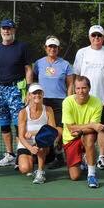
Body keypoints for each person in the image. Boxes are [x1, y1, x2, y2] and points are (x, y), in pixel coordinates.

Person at [72, 24, 104, 171]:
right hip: (84, 100)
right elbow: (76, 75)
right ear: (89, 37)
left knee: (102, 129)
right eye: (94, 35)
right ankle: (86, 156)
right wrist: (75, 95)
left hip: (103, 100)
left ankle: (101, 157)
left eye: (99, 35)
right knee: (85, 130)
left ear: (103, 37)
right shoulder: (82, 53)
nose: (96, 38)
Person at [0, 19, 33, 167]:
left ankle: (21, 155)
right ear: (0, 31)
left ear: (14, 30)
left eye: (9, 28)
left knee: (18, 124)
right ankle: (9, 154)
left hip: (17, 90)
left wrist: (28, 90)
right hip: (0, 90)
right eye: (4, 28)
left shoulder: (22, 47)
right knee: (4, 124)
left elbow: (28, 69)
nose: (6, 31)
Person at [33, 35, 74, 168]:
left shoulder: (65, 64)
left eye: (55, 47)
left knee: (58, 130)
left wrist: (68, 100)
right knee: (41, 128)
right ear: (45, 48)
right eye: (50, 46)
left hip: (59, 101)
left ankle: (58, 154)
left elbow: (70, 84)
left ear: (58, 49)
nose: (52, 49)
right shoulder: (38, 63)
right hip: (42, 101)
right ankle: (41, 155)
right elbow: (34, 81)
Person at [62, 76, 104, 188]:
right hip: (70, 138)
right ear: (74, 89)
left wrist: (82, 130)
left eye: (84, 88)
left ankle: (91, 174)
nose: (81, 91)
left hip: (85, 135)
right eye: (78, 88)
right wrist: (91, 125)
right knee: (74, 176)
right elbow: (71, 128)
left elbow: (94, 129)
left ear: (89, 88)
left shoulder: (96, 102)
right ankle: (83, 159)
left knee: (90, 137)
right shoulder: (67, 102)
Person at [16, 84, 57, 184]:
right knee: (25, 169)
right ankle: (32, 162)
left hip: (43, 143)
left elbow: (53, 130)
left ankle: (40, 172)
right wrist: (30, 148)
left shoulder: (48, 110)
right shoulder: (23, 112)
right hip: (26, 144)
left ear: (42, 95)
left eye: (39, 93)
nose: (37, 95)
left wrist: (35, 133)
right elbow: (21, 136)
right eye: (34, 93)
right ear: (29, 95)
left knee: (42, 140)